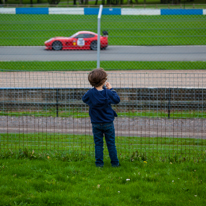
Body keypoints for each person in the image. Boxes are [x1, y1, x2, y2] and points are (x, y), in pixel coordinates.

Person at [82, 68, 120, 167]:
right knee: (111, 144)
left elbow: (84, 99)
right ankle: (115, 163)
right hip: (108, 122)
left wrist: (92, 102)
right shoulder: (108, 93)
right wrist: (111, 89)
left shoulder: (90, 93)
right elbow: (117, 100)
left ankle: (99, 164)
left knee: (98, 144)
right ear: (104, 81)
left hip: (96, 123)